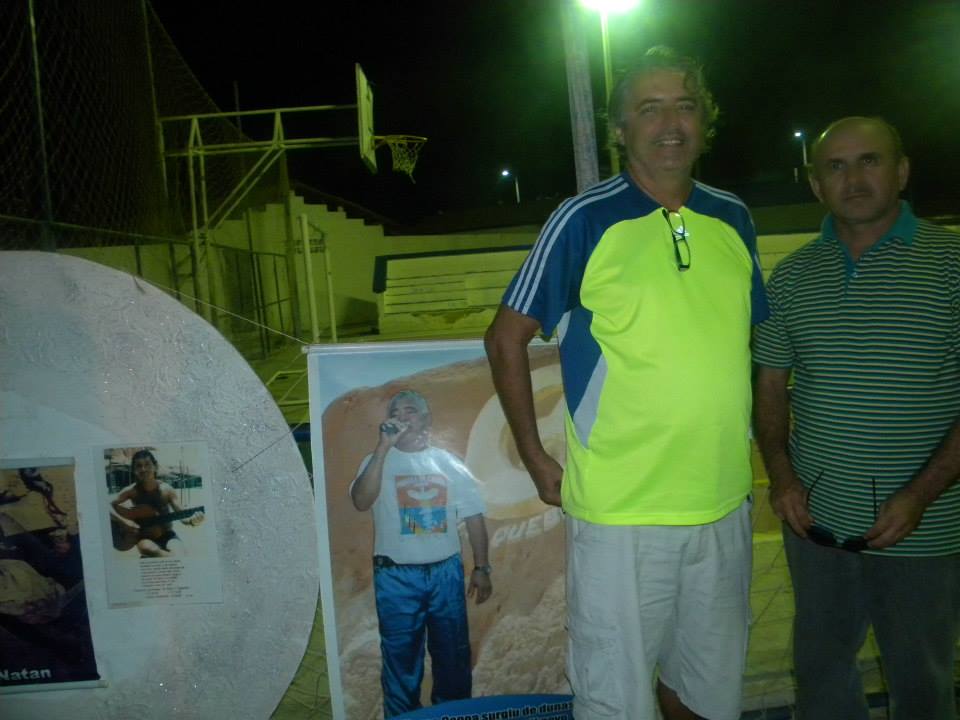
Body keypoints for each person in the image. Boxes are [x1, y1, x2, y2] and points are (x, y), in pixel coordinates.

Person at [485, 46, 767, 720]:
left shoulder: (734, 218)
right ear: (620, 129)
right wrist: (534, 456)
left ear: (705, 122)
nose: (670, 123)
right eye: (649, 109)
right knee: (617, 699)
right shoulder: (584, 219)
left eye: (685, 106)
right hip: (621, 513)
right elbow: (505, 337)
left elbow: (748, 343)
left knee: (706, 694)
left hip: (723, 502)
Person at [754, 116, 960, 719]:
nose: (854, 178)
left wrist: (919, 496)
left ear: (902, 171)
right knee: (821, 674)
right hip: (816, 526)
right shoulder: (792, 277)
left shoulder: (952, 264)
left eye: (870, 160)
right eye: (836, 166)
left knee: (922, 679)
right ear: (816, 184)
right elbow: (769, 388)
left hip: (925, 526)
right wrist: (782, 479)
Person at [350, 389, 493, 718]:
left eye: (410, 410)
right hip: (396, 576)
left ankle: (453, 714)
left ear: (426, 419)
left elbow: (474, 516)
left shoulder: (447, 462)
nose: (402, 416)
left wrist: (482, 567)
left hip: (446, 573)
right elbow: (360, 501)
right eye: (395, 412)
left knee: (453, 656)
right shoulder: (375, 461)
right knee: (400, 660)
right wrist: (383, 449)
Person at [109, 449, 204, 558]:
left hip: (168, 535)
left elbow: (182, 515)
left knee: (181, 554)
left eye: (147, 464)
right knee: (146, 548)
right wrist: (124, 522)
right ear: (134, 470)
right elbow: (106, 505)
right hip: (145, 538)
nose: (143, 469)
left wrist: (192, 521)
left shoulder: (167, 490)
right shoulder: (131, 491)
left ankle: (171, 557)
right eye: (139, 466)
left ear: (155, 466)